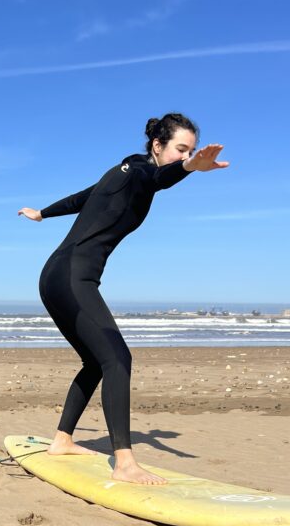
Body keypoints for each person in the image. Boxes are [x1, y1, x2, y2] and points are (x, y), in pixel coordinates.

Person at [19, 113, 228, 485]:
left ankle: (63, 441)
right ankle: (126, 463)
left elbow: (84, 196)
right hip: (70, 277)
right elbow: (159, 177)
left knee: (96, 362)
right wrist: (191, 167)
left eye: (191, 150)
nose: (186, 154)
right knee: (118, 359)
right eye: (180, 148)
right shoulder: (139, 171)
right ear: (157, 146)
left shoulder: (123, 172)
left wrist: (42, 214)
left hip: (60, 276)